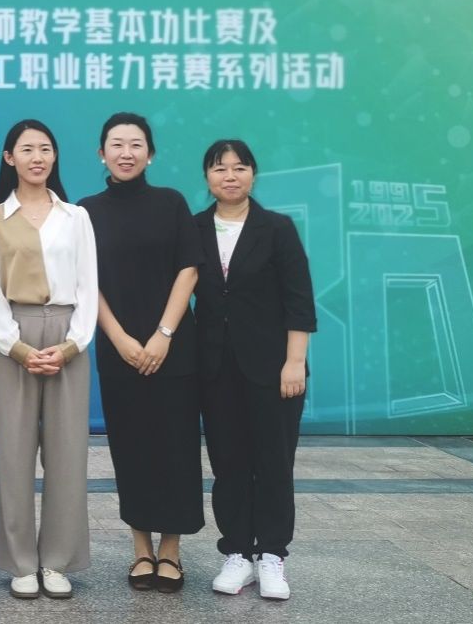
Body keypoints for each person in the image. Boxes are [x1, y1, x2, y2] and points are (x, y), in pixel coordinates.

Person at [77, 113, 203, 593]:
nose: (125, 152)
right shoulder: (85, 211)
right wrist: (120, 338)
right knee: (130, 449)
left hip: (173, 348)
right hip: (119, 350)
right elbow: (85, 282)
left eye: (135, 144)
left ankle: (170, 550)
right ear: (101, 153)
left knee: (175, 448)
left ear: (150, 154)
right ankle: (141, 550)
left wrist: (163, 334)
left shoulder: (171, 202)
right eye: (116, 144)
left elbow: (189, 269)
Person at [0, 119, 98, 601]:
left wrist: (71, 345)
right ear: (9, 158)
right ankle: (21, 563)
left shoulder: (76, 217)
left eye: (45, 149)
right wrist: (19, 348)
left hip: (68, 337)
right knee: (14, 454)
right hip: (15, 339)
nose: (37, 158)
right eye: (27, 149)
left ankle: (57, 561)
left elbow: (89, 286)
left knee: (68, 455)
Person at [193, 139, 316, 601]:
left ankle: (272, 555)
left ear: (253, 174)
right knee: (228, 464)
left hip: (273, 368)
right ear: (207, 177)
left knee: (273, 462)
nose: (230, 176)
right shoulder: (194, 228)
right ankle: (237, 553)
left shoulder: (276, 228)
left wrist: (294, 362)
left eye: (240, 167)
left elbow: (299, 300)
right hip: (215, 368)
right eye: (220, 168)